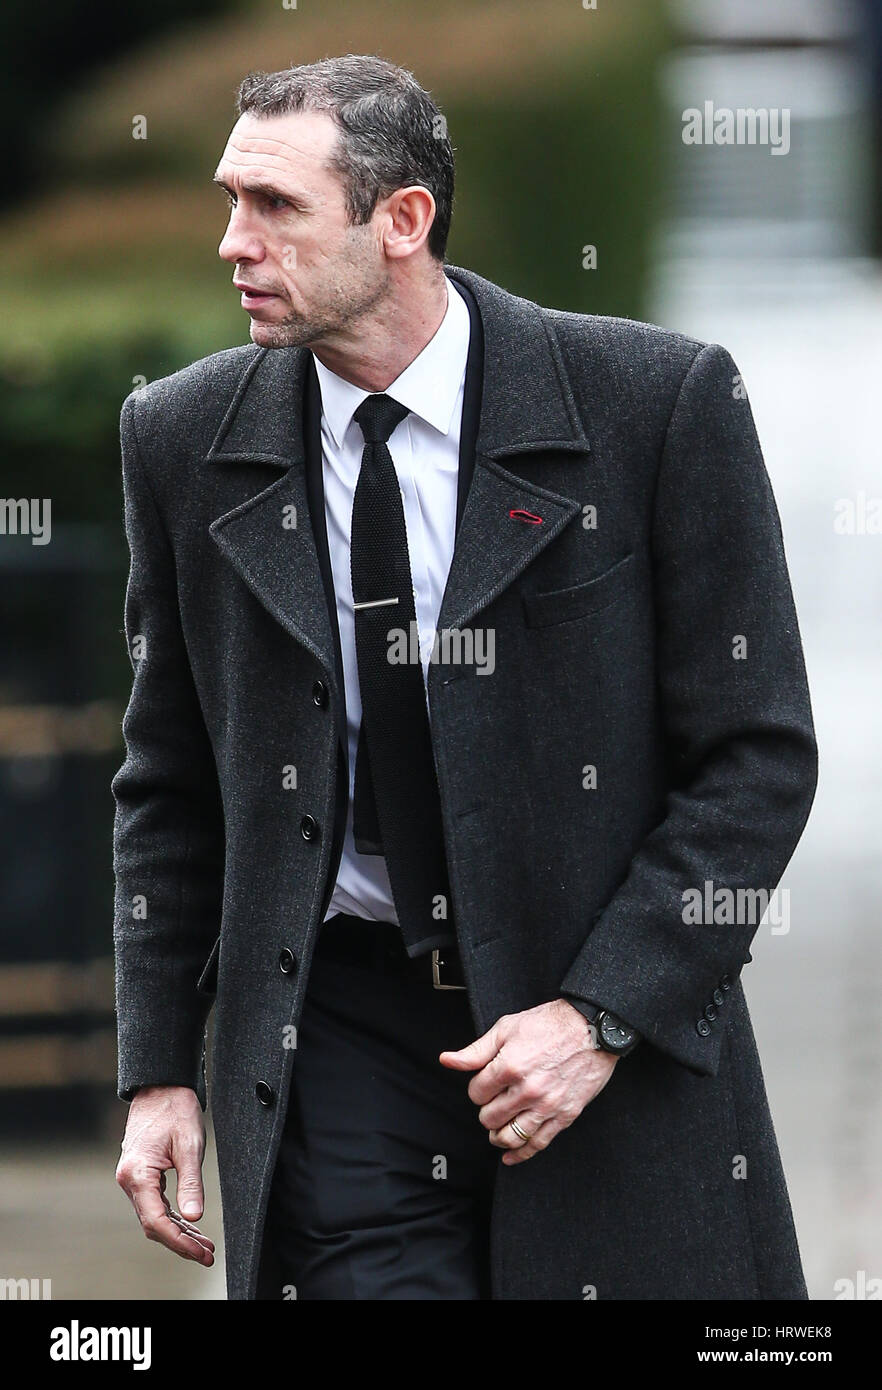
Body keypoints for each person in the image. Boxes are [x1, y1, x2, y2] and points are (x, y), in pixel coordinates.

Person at [113, 54, 818, 1300]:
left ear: (403, 221)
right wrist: (160, 1067)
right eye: (230, 198)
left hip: (596, 1023)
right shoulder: (182, 436)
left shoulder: (655, 405)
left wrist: (600, 1014)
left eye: (275, 206)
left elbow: (755, 755)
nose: (232, 241)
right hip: (335, 1034)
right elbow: (167, 781)